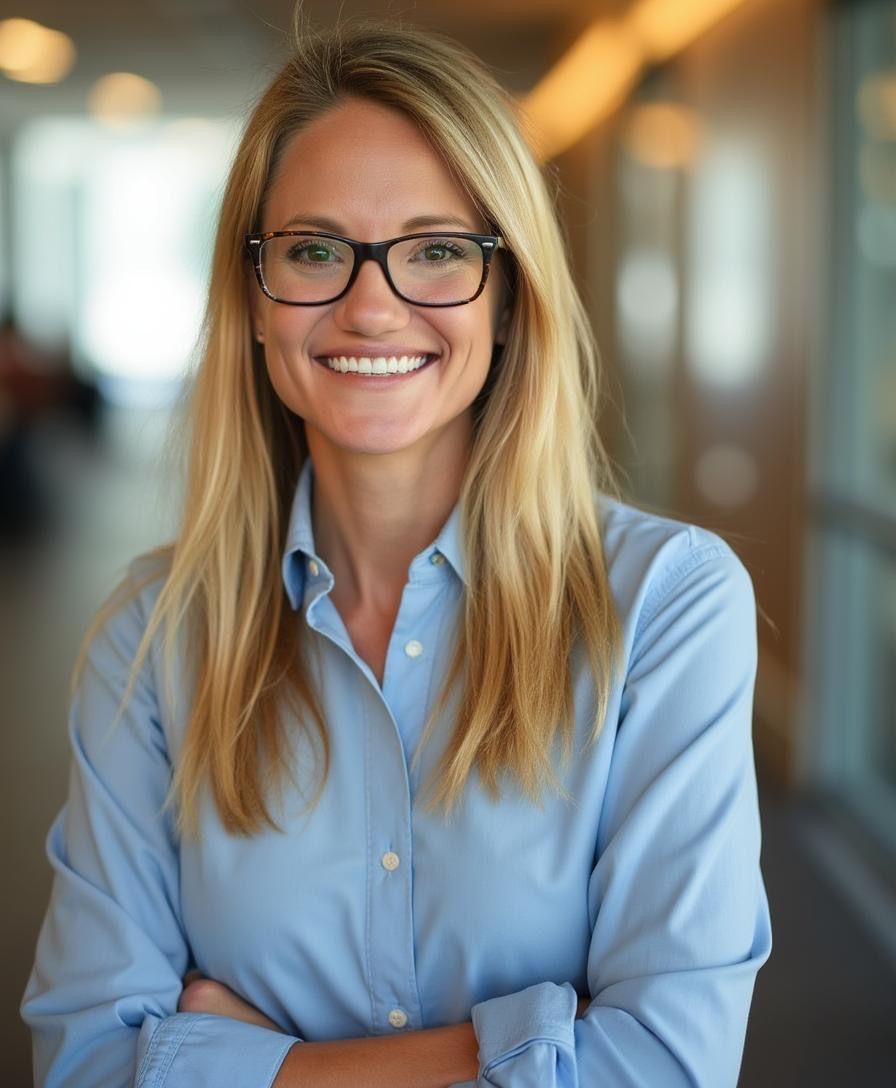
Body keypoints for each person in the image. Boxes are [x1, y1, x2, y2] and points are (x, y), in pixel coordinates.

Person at [21, 14, 771, 1088]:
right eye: (315, 249)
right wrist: (521, 1044)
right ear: (254, 297)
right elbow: (89, 1059)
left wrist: (250, 1062)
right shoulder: (155, 632)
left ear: (508, 294)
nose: (371, 305)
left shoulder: (662, 603)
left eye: (434, 251)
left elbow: (663, 1061)